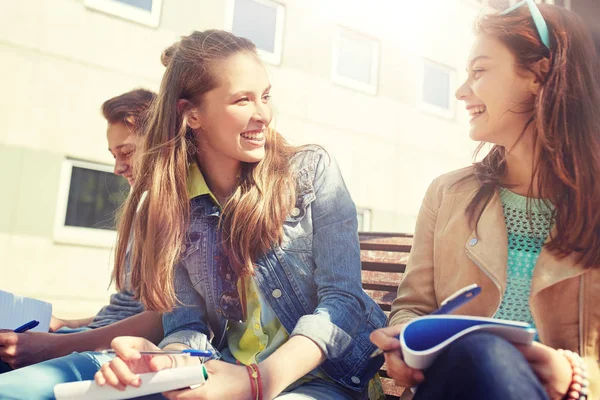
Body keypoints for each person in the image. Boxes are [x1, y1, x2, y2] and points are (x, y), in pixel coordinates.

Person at [94, 30, 386, 400]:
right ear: (192, 114)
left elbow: (343, 301)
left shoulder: (311, 172)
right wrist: (168, 363)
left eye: (265, 97)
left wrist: (258, 381)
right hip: (226, 372)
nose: (263, 114)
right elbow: (187, 325)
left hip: (324, 380)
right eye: (242, 100)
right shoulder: (174, 205)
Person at [370, 2, 600, 400]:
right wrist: (405, 344)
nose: (461, 91)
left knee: (488, 354)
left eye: (479, 71)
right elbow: (413, 308)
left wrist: (574, 375)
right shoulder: (447, 194)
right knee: (482, 353)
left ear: (538, 73)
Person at [0, 89, 164, 399]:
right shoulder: (144, 210)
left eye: (126, 152)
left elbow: (164, 319)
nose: (117, 167)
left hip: (121, 353)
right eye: (113, 155)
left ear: (159, 143)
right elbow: (130, 306)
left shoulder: (185, 214)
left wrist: (55, 346)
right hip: (93, 337)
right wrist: (65, 325)